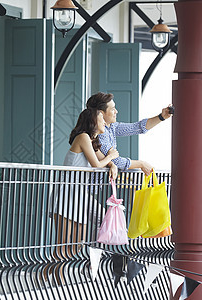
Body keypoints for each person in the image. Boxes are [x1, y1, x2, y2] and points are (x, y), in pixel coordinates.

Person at [47, 108, 118, 284]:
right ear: (93, 121)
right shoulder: (83, 137)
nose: (104, 122)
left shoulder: (92, 142)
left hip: (78, 196)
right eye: (101, 118)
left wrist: (112, 164)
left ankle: (50, 272)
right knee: (63, 241)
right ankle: (55, 275)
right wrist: (111, 157)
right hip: (67, 194)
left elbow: (105, 161)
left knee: (77, 243)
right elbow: (96, 164)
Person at [86, 92, 173, 175]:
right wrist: (141, 164)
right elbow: (116, 161)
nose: (116, 111)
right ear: (101, 113)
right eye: (112, 109)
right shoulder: (100, 133)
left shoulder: (111, 127)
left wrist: (162, 117)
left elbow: (137, 127)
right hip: (86, 184)